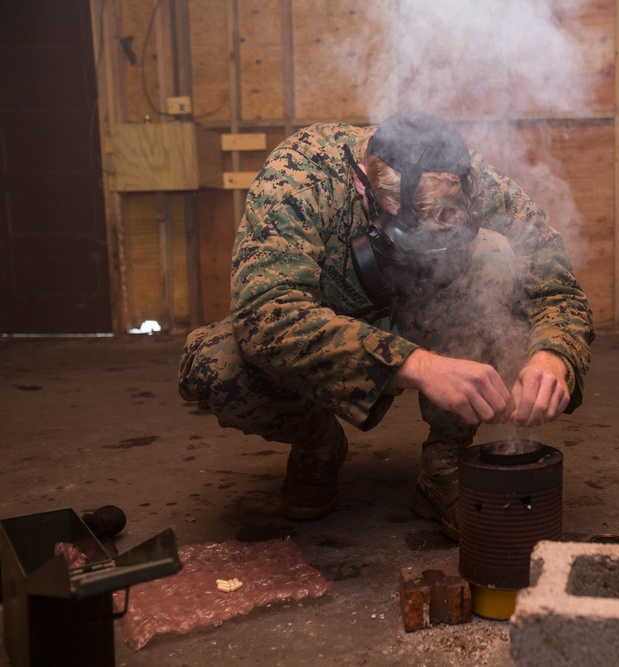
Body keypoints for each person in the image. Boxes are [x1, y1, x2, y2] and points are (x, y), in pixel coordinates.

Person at [178, 110, 593, 540]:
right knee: (216, 370)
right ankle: (317, 442)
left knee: (493, 257)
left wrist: (553, 356)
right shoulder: (302, 174)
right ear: (364, 186)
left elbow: (557, 288)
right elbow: (265, 314)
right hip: (332, 327)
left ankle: (443, 465)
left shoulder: (472, 179)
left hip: (432, 314)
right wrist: (416, 365)